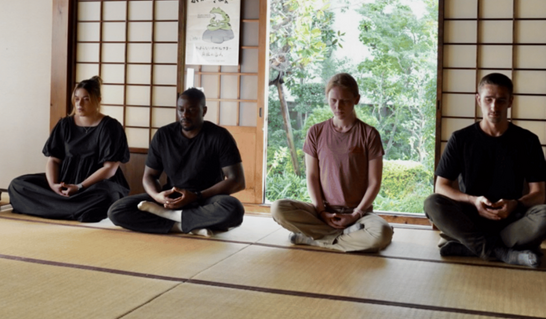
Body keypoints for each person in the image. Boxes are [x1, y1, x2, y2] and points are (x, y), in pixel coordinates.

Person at [424, 72, 546, 268]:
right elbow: (441, 187)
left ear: (510, 102)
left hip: (510, 221)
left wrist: (515, 204)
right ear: (478, 100)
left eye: (501, 100)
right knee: (432, 203)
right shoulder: (461, 139)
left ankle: (470, 248)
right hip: (470, 219)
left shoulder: (528, 141)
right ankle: (501, 252)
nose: (494, 107)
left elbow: (539, 194)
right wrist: (473, 200)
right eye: (488, 100)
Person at [271, 73, 393, 252]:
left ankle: (316, 239)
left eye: (345, 101)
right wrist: (321, 211)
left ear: (356, 99)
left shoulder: (369, 134)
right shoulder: (316, 132)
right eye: (333, 100)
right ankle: (346, 236)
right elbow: (311, 176)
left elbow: (374, 182)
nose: (338, 106)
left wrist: (355, 214)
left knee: (382, 233)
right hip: (322, 212)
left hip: (359, 215)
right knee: (278, 208)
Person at [108, 88, 245, 236]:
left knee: (233, 209)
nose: (184, 115)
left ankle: (174, 219)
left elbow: (237, 180)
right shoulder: (163, 135)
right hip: (172, 199)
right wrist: (157, 196)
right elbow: (149, 176)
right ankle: (183, 225)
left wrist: (197, 196)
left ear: (204, 111)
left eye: (191, 110)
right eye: (181, 110)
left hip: (206, 199)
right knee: (116, 210)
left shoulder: (219, 136)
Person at [8, 76, 129, 221]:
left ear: (98, 100)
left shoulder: (110, 127)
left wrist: (79, 187)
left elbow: (109, 169)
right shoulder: (65, 124)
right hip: (65, 181)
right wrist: (53, 185)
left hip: (94, 187)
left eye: (86, 99)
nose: (79, 104)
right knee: (18, 185)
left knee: (108, 196)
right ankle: (74, 210)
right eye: (76, 99)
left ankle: (54, 208)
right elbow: (54, 160)